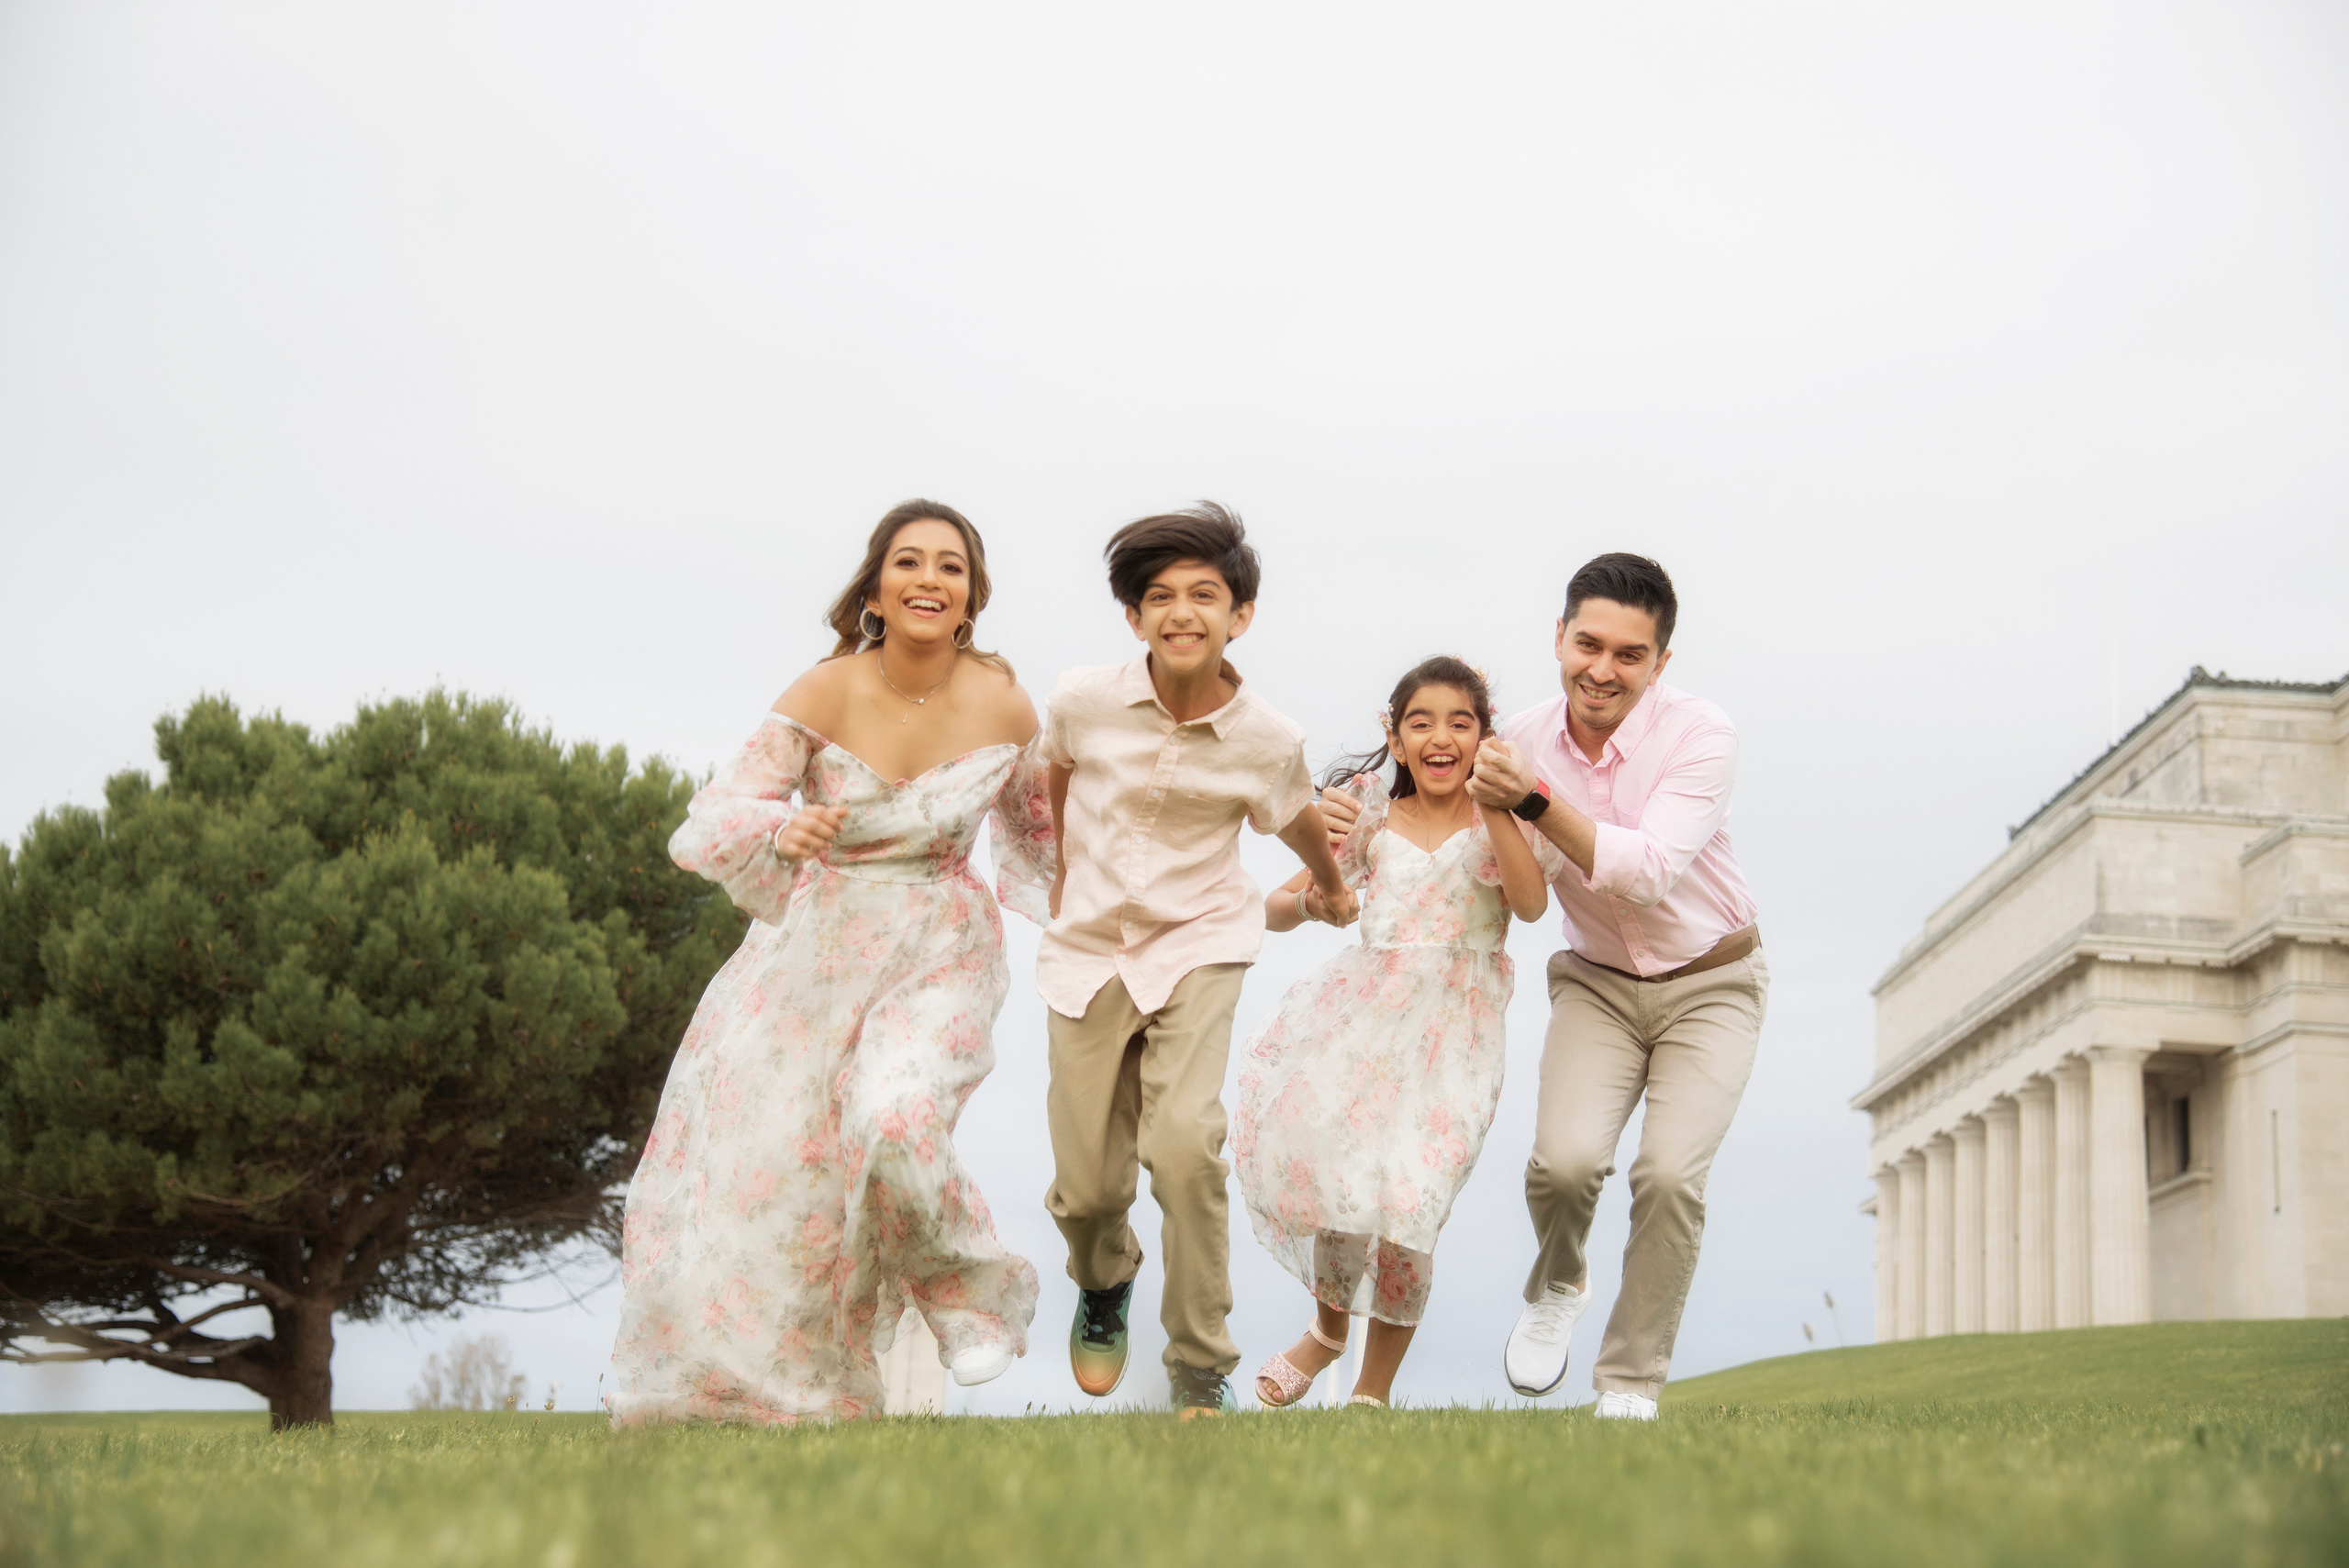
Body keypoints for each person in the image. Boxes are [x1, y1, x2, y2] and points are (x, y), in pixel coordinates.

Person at [607, 500, 1055, 1426]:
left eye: (951, 567)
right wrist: (785, 824)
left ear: (970, 597)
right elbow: (714, 816)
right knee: (787, 1179)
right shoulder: (822, 690)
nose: (929, 579)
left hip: (942, 944)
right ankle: (788, 1393)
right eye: (909, 562)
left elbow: (1050, 842)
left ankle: (965, 1297)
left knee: (892, 1116)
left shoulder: (1006, 705)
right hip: (814, 954)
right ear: (878, 587)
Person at [1323, 552, 1763, 1421]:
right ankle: (1559, 1278)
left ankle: (1630, 1381)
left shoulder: (1701, 734)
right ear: (1558, 638)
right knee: (1563, 1167)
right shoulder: (1519, 735)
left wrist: (1530, 799)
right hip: (1597, 983)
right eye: (1588, 644)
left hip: (1714, 981)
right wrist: (1341, 811)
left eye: (1629, 655)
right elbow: (1426, 784)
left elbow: (1646, 871)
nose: (1603, 669)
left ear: (1660, 663)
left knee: (1669, 1176)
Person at [1038, 501, 1359, 1419]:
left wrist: (1328, 883)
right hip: (1089, 949)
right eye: (1160, 596)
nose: (1182, 611)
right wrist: (1064, 875)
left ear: (1238, 615)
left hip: (1200, 942)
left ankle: (1197, 1362)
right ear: (1134, 617)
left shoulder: (1267, 736)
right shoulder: (1080, 701)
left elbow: (1293, 808)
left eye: (1204, 595)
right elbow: (1058, 772)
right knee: (1088, 1189)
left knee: (1183, 1148)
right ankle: (1103, 1282)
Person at [1233, 657, 1555, 1410]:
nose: (1441, 737)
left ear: (1485, 737)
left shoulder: (1498, 823)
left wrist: (1503, 806)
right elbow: (1278, 907)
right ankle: (1326, 1329)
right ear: (1397, 736)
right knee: (1346, 1189)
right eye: (1421, 722)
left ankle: (1371, 1391)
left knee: (1411, 1200)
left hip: (1458, 1036)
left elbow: (1532, 906)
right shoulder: (1370, 814)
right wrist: (1316, 900)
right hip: (1363, 1025)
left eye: (1461, 722)